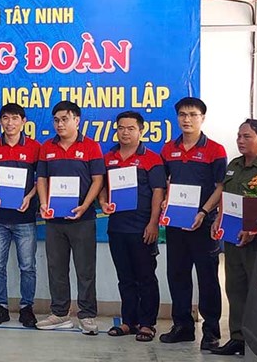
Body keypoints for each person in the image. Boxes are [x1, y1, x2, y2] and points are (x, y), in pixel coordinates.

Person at [159, 97, 226, 351]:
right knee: (177, 274)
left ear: (202, 118)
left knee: (208, 277)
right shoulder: (168, 149)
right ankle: (182, 326)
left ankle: (211, 331)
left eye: (192, 114)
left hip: (204, 224)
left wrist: (204, 211)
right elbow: (166, 180)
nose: (187, 119)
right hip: (176, 223)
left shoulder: (215, 149)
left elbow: (221, 186)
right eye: (182, 115)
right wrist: (166, 200)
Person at [35, 101, 104, 335]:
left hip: (82, 219)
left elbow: (98, 180)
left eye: (65, 119)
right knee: (56, 268)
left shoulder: (91, 147)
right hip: (55, 221)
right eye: (56, 120)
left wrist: (85, 206)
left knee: (85, 269)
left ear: (77, 120)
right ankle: (60, 313)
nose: (60, 124)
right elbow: (41, 179)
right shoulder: (47, 147)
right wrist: (44, 203)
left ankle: (87, 315)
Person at [98, 111, 165, 342]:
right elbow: (102, 186)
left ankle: (147, 324)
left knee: (146, 277)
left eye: (130, 128)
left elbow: (159, 192)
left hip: (142, 228)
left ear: (140, 131)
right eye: (121, 128)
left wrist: (153, 223)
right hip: (117, 228)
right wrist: (103, 202)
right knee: (125, 277)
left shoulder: (152, 158)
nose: (125, 132)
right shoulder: (109, 157)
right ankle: (129, 321)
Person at [210, 119, 257, 356]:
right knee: (234, 287)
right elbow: (226, 193)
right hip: (232, 235)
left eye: (247, 136)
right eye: (239, 136)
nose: (241, 141)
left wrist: (253, 228)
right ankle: (237, 337)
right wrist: (218, 218)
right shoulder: (234, 164)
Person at [0, 103, 40, 328]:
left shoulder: (35, 147)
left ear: (23, 121)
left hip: (24, 217)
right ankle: (1, 307)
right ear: (0, 121)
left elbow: (41, 180)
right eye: (5, 118)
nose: (10, 123)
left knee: (27, 266)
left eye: (15, 118)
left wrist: (29, 196)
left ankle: (27, 308)